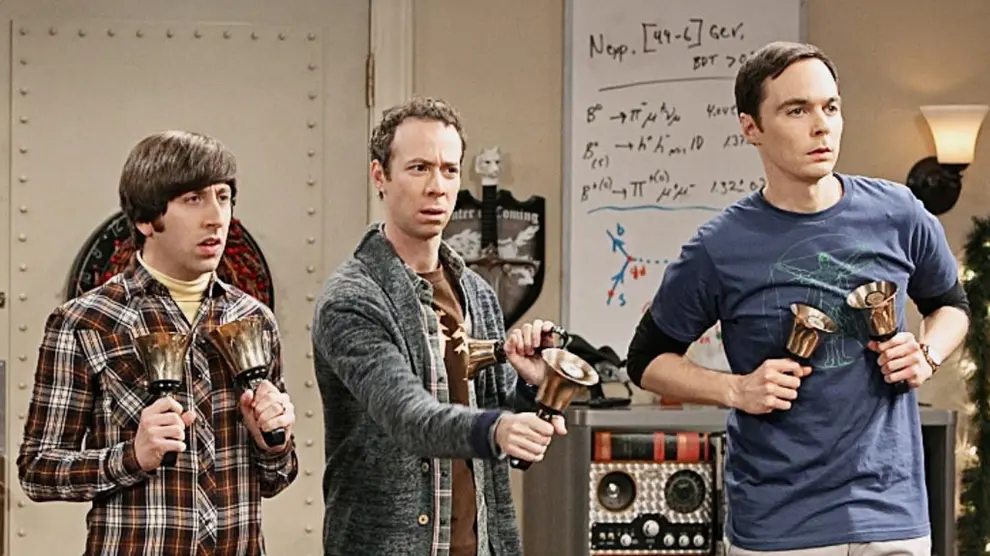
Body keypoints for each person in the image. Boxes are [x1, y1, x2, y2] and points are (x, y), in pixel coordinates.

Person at [626, 41, 970, 555]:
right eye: (797, 110)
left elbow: (952, 306)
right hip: (779, 525)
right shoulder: (719, 248)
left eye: (830, 107)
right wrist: (736, 389)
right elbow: (646, 360)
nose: (821, 126)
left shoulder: (898, 213)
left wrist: (928, 352)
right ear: (751, 128)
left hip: (890, 515)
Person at [17, 130, 298, 555]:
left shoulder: (254, 319)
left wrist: (273, 442)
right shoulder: (85, 322)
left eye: (223, 197)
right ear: (147, 220)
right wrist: (132, 456)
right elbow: (37, 470)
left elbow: (276, 478)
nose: (216, 217)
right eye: (194, 199)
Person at [311, 97, 566, 556]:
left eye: (449, 170)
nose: (437, 187)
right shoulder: (351, 299)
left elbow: (509, 447)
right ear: (379, 176)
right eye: (419, 168)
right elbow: (408, 418)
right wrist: (498, 429)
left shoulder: (476, 293)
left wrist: (533, 391)